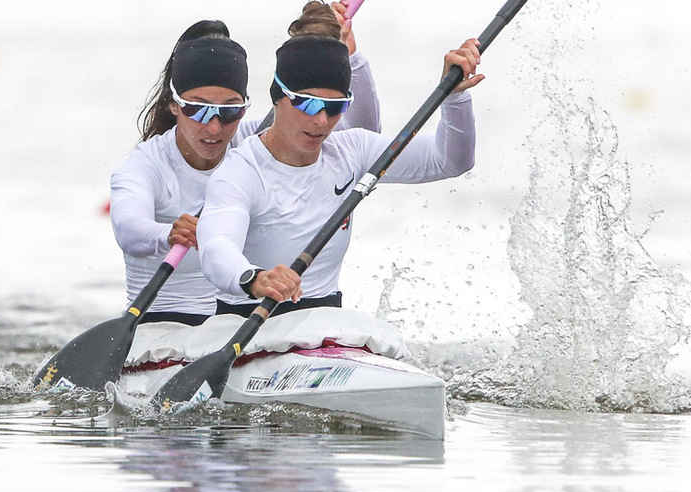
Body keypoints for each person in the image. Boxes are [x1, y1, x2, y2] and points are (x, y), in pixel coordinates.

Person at [108, 1, 381, 325]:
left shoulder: (253, 145)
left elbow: (364, 136)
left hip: (236, 325)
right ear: (174, 105)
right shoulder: (147, 166)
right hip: (164, 326)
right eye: (200, 109)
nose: (214, 127)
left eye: (229, 111)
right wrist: (168, 233)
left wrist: (347, 57)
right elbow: (127, 227)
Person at [197, 34, 483, 314]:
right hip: (247, 321)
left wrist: (455, 97)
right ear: (278, 97)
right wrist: (254, 279)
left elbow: (449, 161)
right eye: (308, 104)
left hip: (325, 321)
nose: (321, 120)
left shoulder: (353, 149)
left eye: (336, 107)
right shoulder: (240, 171)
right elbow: (216, 247)